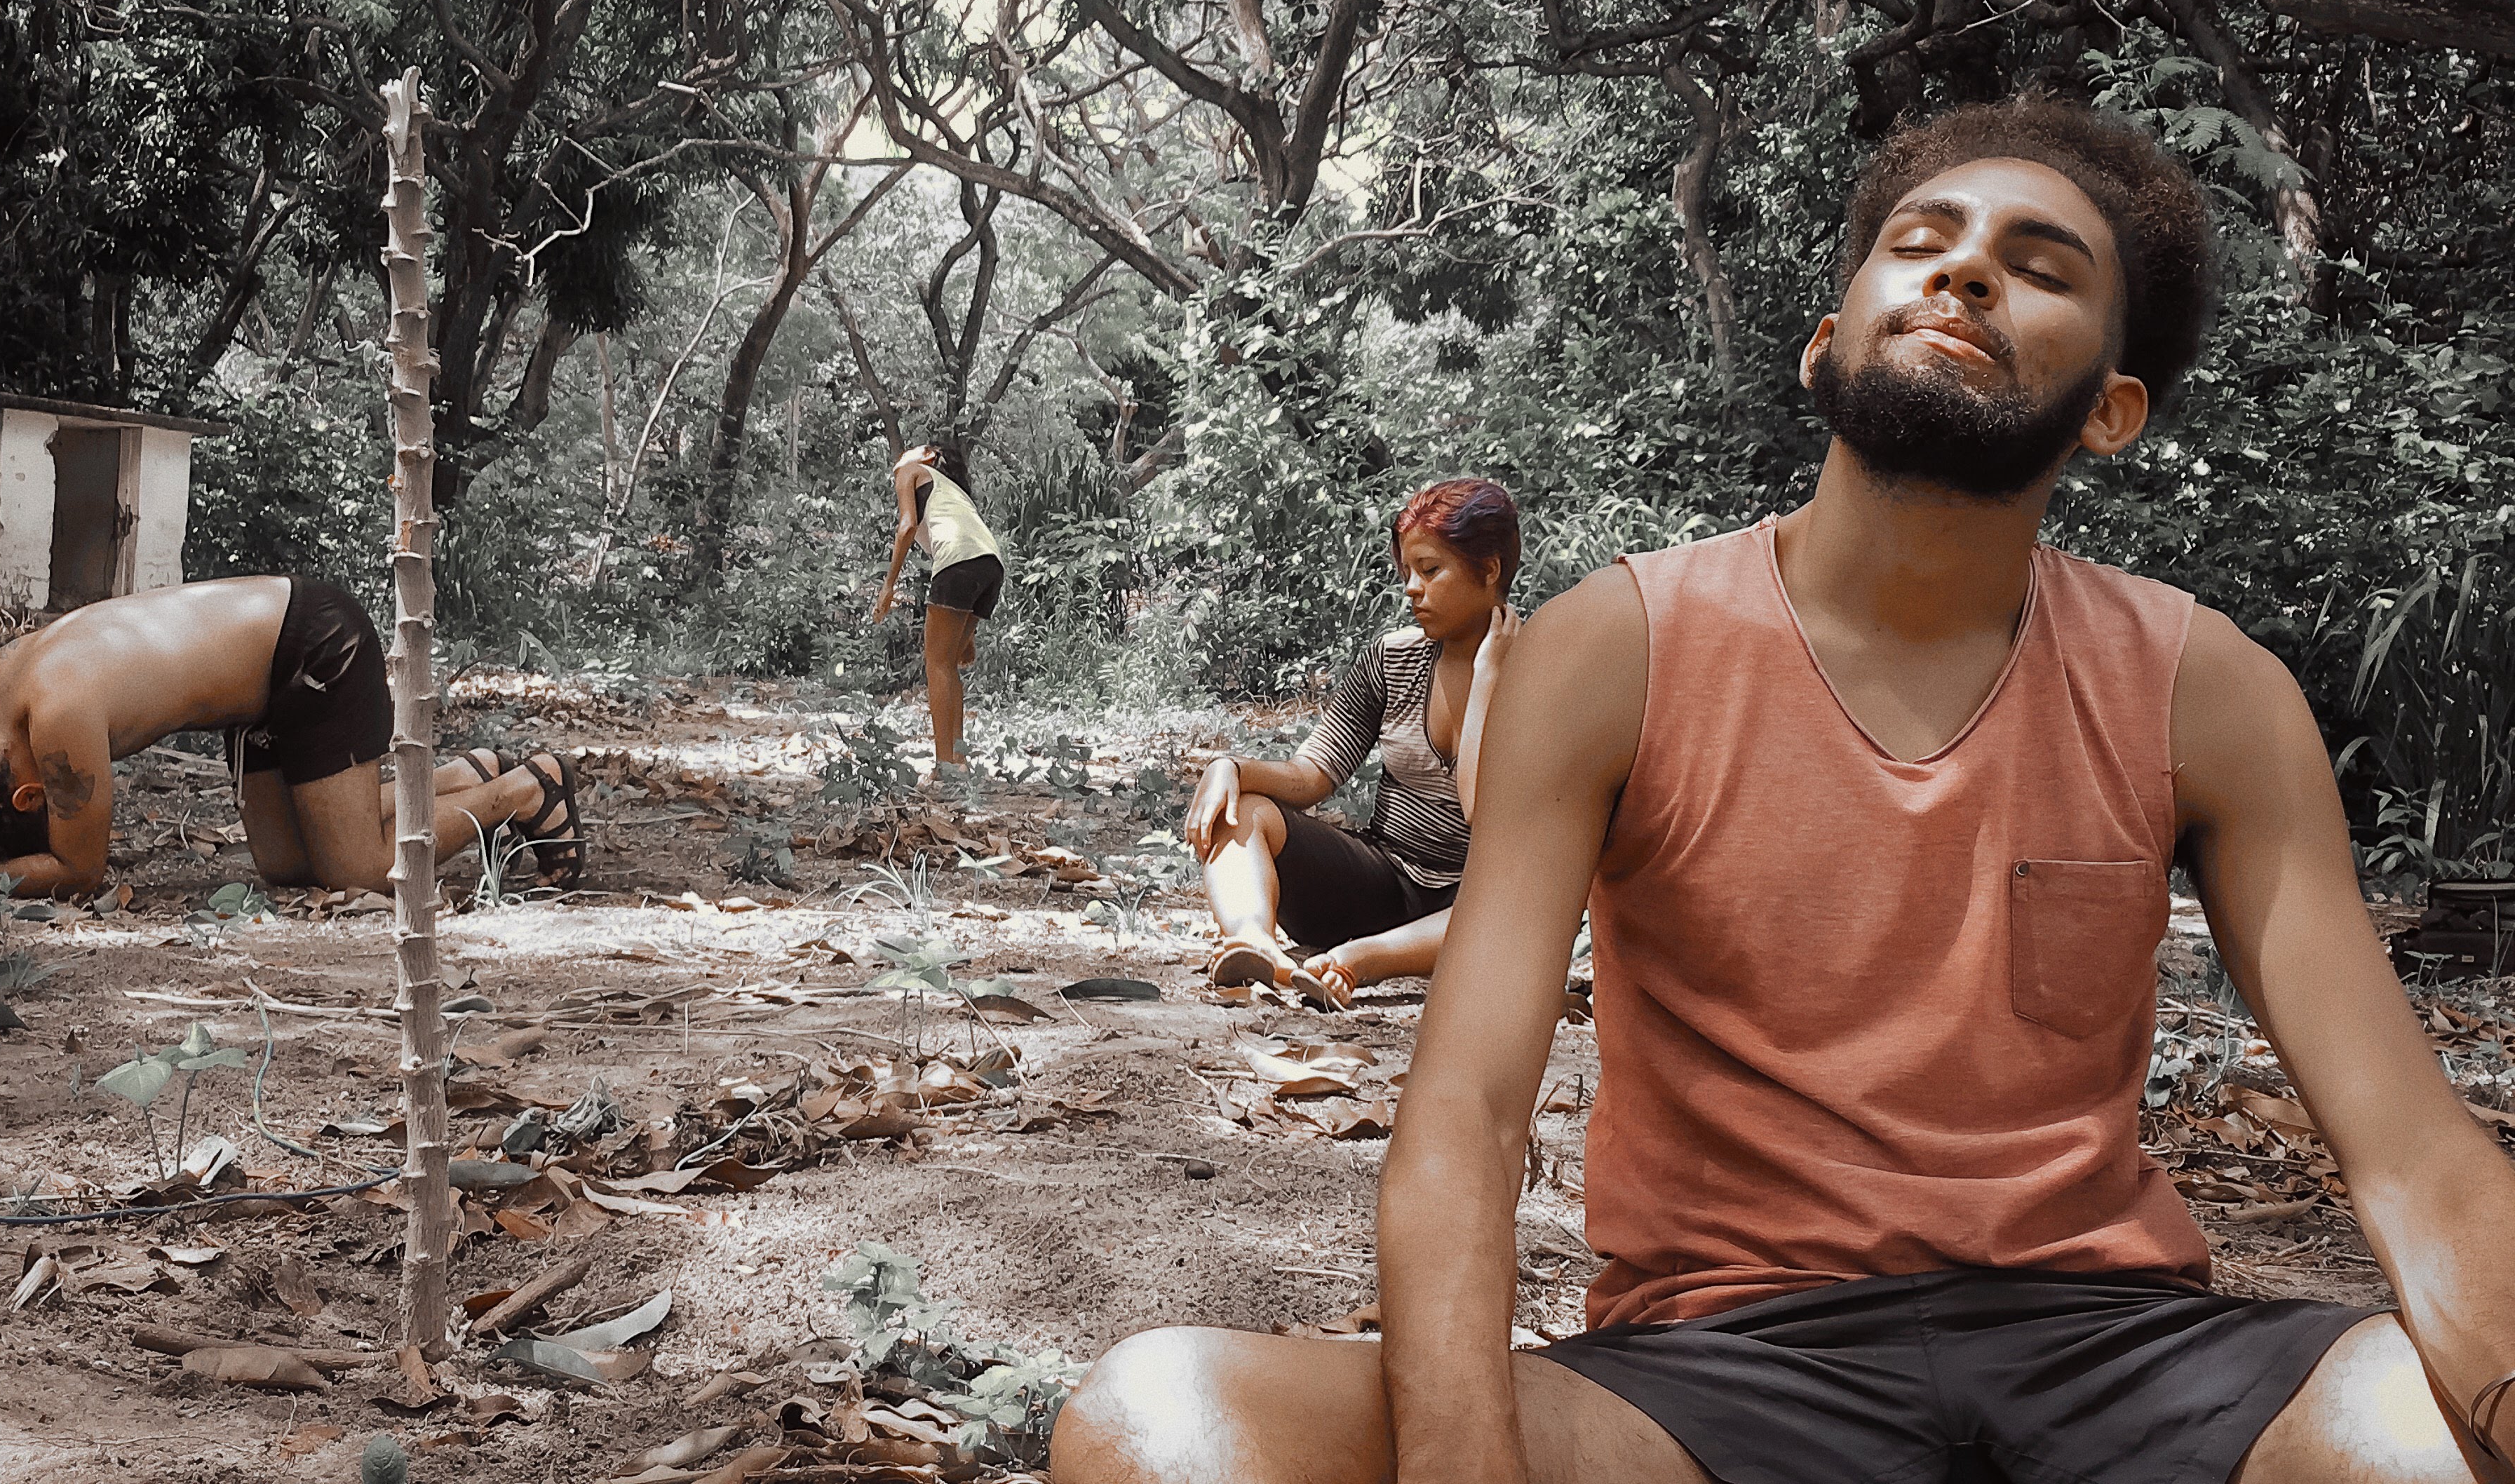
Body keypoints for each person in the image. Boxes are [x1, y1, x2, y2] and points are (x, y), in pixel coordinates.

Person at [1054, 100, 2515, 1483]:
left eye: (2038, 267)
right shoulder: (1613, 649)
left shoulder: (2209, 691)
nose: (1963, 272)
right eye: (1922, 241)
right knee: (1159, 1418)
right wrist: (1460, 1460)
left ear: (2111, 410)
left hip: (2121, 1359)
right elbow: (1469, 1115)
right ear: (1826, 345)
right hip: (1718, 1378)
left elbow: (2411, 1155)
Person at [0, 576, 583, 898]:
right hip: (255, 692)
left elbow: (77, 868)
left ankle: (527, 790)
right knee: (287, 865)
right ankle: (466, 775)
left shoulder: (56, 723)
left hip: (314, 644)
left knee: (353, 871)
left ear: (32, 796)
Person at [1184, 478, 1523, 1011]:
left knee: (1518, 904)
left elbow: (1480, 808)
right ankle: (1255, 944)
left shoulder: (1540, 673)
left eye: (1430, 570)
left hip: (1472, 906)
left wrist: (1487, 681)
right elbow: (1311, 776)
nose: (1412, 589)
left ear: (1490, 569)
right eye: (1407, 572)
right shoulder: (1391, 659)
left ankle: (1358, 961)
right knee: (1242, 810)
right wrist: (1231, 768)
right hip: (1381, 882)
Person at [872, 443, 1006, 764]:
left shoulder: (910, 471)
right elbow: (969, 550)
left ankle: (945, 766)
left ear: (928, 456)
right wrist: (967, 635)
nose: (904, 454)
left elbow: (906, 526)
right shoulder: (952, 491)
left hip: (959, 563)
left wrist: (888, 586)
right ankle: (958, 762)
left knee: (937, 665)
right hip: (991, 565)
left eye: (914, 448)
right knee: (949, 664)